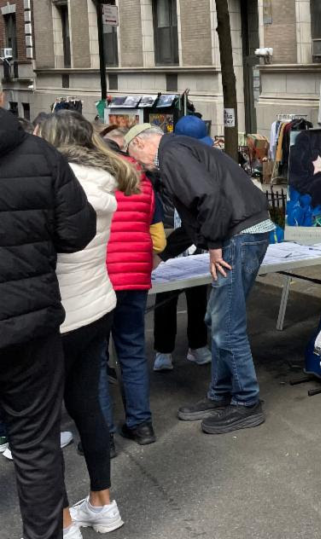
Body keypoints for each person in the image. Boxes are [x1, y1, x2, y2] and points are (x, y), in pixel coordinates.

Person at [125, 122, 273, 435]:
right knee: (218, 319)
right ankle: (220, 394)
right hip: (243, 231)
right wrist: (160, 257)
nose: (137, 165)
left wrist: (215, 248)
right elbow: (196, 218)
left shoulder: (171, 152)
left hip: (238, 235)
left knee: (226, 324)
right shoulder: (178, 150)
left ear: (140, 142)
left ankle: (247, 401)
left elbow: (211, 200)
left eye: (132, 156)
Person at [37, 110, 140, 537]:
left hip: (56, 315)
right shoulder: (103, 179)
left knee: (40, 424)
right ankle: (102, 503)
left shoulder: (54, 182)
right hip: (96, 307)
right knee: (87, 407)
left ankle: (63, 521)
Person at [0, 95, 96, 539]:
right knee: (36, 447)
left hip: (30, 324)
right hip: (29, 327)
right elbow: (77, 232)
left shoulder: (39, 153)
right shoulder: (41, 155)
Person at [107, 119, 212, 373]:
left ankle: (197, 344)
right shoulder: (154, 168)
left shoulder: (198, 165)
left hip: (189, 239)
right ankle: (163, 349)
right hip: (165, 234)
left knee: (198, 295)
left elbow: (198, 214)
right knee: (165, 297)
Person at [90, 127, 166, 448]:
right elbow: (157, 239)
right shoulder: (143, 183)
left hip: (96, 279)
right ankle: (142, 424)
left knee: (94, 359)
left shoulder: (88, 184)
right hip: (135, 279)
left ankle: (102, 436)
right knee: (132, 350)